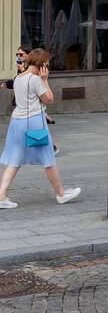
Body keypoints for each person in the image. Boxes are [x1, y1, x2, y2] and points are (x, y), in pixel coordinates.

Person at [0, 50, 80, 209]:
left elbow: (28, 102)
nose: (47, 68)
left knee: (15, 159)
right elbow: (49, 99)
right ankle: (61, 194)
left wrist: (43, 113)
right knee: (48, 158)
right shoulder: (35, 79)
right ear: (41, 65)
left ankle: (1, 196)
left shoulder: (18, 78)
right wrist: (45, 80)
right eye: (46, 65)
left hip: (17, 122)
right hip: (33, 123)